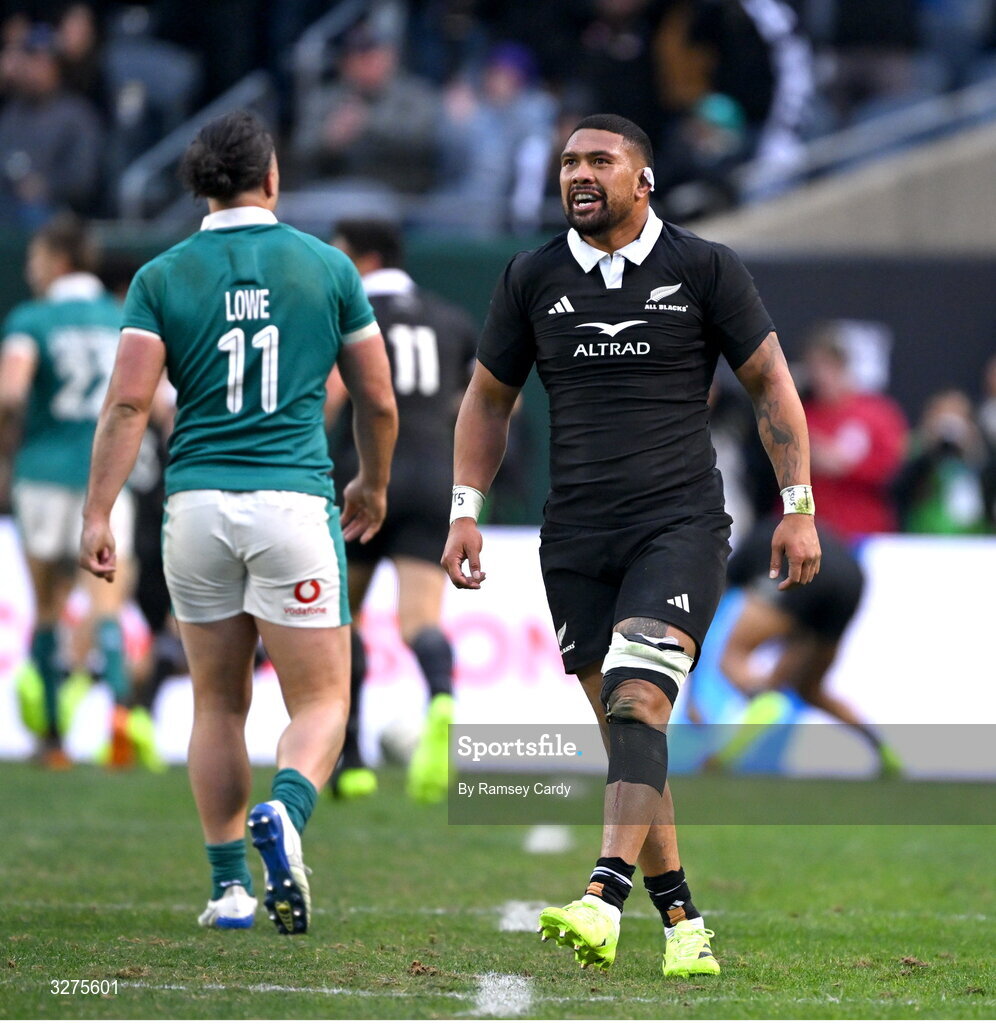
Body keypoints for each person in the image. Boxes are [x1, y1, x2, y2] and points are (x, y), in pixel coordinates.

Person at [442, 113, 820, 979]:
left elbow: (771, 386)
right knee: (628, 739)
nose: (580, 174)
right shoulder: (531, 276)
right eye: (570, 161)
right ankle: (683, 921)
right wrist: (466, 507)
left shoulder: (704, 268)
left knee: (639, 704)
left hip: (678, 524)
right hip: (574, 535)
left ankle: (603, 896)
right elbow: (488, 402)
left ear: (642, 179)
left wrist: (798, 505)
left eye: (600, 161)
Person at [79, 110, 397, 934]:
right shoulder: (326, 267)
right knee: (323, 698)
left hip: (194, 506)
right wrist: (373, 483)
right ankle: (286, 814)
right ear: (272, 175)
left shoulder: (161, 273)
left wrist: (98, 511)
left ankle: (227, 890)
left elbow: (127, 402)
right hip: (290, 499)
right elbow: (378, 398)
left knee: (216, 704)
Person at [327, 218, 478, 803]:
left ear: (362, 260)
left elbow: (334, 396)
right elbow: (487, 404)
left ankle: (353, 757)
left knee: (341, 618)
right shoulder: (448, 318)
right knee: (419, 621)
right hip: (434, 472)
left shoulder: (353, 313)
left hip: (366, 478)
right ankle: (441, 697)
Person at [0, 213, 135, 769]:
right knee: (106, 604)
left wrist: (8, 449)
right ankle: (126, 726)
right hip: (106, 476)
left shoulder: (32, 317)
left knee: (50, 608)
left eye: (34, 259)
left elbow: (11, 393)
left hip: (43, 472)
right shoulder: (121, 317)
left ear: (57, 261)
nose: (30, 269)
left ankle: (53, 742)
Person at [710, 518, 903, 776]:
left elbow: (715, 597)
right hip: (850, 580)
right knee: (810, 688)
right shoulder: (778, 527)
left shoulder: (750, 546)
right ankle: (882, 749)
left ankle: (761, 697)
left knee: (733, 656)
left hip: (801, 570)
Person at [803, 322, 908, 538]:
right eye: (815, 367)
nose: (821, 376)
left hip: (864, 530)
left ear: (844, 367)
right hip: (812, 531)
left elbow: (893, 468)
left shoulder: (876, 413)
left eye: (829, 366)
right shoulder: (801, 414)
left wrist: (846, 465)